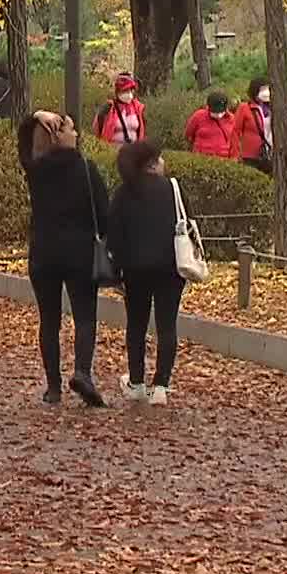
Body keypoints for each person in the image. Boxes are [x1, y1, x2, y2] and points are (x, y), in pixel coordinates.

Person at [17, 109, 108, 407]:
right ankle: (82, 371)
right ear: (58, 135)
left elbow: (20, 140)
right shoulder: (86, 168)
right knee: (84, 316)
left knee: (49, 320)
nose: (77, 133)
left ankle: (53, 386)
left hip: (44, 253)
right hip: (80, 253)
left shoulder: (36, 169)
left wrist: (34, 117)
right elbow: (104, 213)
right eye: (70, 128)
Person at [107, 141, 187, 405]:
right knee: (167, 325)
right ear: (151, 163)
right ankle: (161, 385)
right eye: (160, 159)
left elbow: (114, 236)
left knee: (136, 325)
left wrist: (116, 271)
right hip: (170, 267)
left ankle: (137, 381)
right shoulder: (172, 189)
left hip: (135, 269)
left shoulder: (123, 193)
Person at [232, 77, 274, 175]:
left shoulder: (273, 107)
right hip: (250, 156)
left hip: (270, 153)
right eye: (263, 90)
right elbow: (235, 131)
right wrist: (235, 154)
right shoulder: (244, 108)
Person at [93, 72, 147, 146]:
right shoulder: (108, 108)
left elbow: (143, 130)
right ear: (117, 92)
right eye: (126, 91)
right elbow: (97, 128)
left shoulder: (138, 108)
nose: (129, 95)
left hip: (133, 152)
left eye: (131, 91)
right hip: (113, 152)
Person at [183, 91, 238, 159]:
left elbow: (235, 142)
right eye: (215, 112)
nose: (218, 115)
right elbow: (188, 135)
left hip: (224, 159)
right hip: (201, 158)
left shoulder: (232, 119)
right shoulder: (198, 116)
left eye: (221, 112)